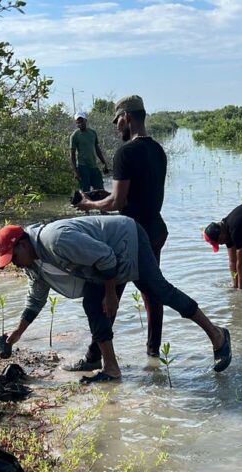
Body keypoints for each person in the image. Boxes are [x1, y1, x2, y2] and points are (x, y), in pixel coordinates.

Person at [0, 215, 232, 383]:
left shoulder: (55, 240)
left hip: (127, 238)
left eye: (13, 257)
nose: (14, 264)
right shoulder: (34, 263)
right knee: (92, 303)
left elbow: (106, 257)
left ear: (23, 244)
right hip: (103, 261)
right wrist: (16, 334)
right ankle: (107, 366)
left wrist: (111, 294)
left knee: (159, 291)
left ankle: (218, 336)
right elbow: (35, 299)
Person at [72, 95, 167, 370]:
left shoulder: (125, 153)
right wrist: (108, 196)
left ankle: (94, 356)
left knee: (107, 292)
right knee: (153, 291)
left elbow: (118, 203)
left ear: (126, 117)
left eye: (117, 121)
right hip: (155, 229)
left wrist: (90, 204)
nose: (116, 127)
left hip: (130, 236)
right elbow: (140, 193)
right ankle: (153, 354)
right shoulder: (158, 150)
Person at [70, 111, 109, 193]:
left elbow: (97, 149)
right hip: (82, 167)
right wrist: (75, 171)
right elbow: (72, 155)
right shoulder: (74, 135)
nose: (80, 123)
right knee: (86, 193)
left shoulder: (92, 133)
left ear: (86, 120)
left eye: (81, 121)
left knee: (100, 191)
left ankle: (99, 205)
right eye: (78, 122)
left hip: (94, 166)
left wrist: (104, 163)